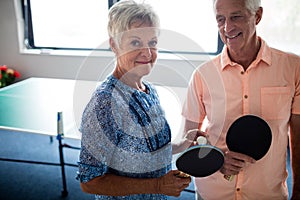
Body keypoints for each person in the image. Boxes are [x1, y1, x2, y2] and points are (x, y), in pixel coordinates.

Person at [175, 0, 300, 199]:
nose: (227, 27)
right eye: (220, 19)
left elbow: (298, 139)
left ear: (257, 16)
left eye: (236, 17)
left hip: (267, 194)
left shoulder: (293, 68)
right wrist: (216, 161)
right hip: (213, 193)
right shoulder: (202, 75)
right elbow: (188, 142)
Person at [76, 1, 191, 199]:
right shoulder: (104, 103)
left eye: (152, 43)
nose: (147, 53)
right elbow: (89, 181)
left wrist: (182, 145)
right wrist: (157, 186)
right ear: (114, 44)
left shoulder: (150, 91)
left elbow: (145, 151)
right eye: (135, 43)